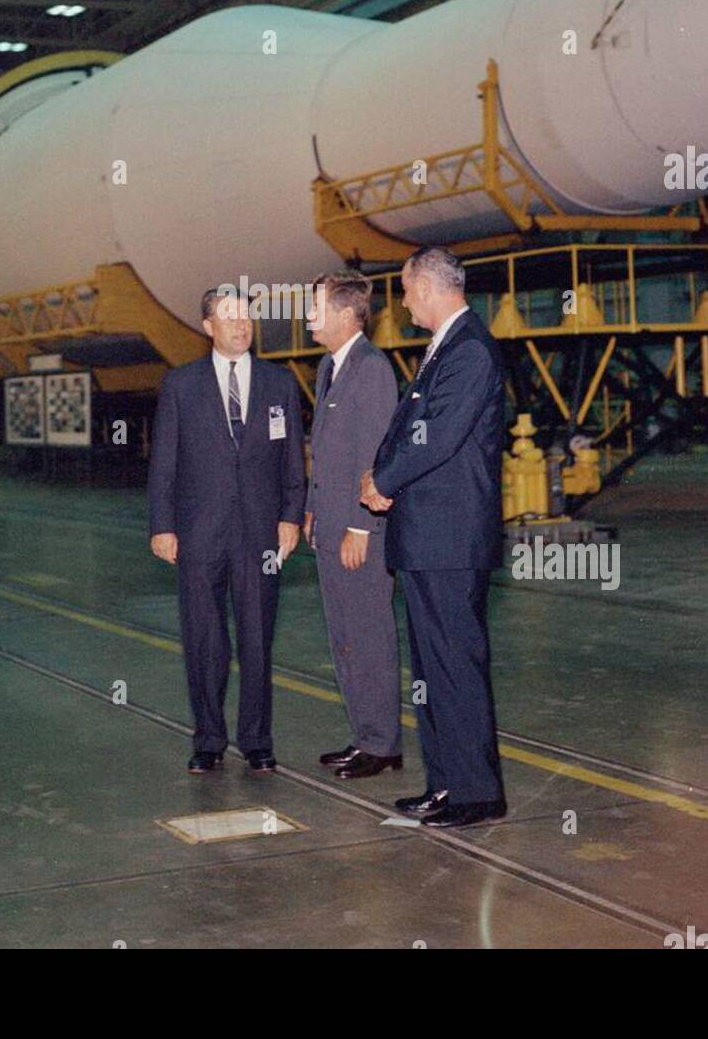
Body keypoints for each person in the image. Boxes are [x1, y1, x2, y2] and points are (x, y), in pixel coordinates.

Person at [361, 246, 507, 829]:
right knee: (431, 670)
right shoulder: (447, 347)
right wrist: (378, 474)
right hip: (427, 538)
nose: (401, 301)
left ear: (426, 287)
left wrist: (385, 480)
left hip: (450, 539)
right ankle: (446, 783)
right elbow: (412, 425)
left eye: (404, 289)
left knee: (455, 664)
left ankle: (478, 793)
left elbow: (438, 436)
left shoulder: (469, 349)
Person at [147, 288, 305, 773]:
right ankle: (208, 739)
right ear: (208, 326)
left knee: (257, 636)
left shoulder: (280, 383)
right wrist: (162, 525)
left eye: (247, 317)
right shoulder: (181, 385)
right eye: (229, 317)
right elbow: (164, 461)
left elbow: (293, 457)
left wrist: (291, 516)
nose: (241, 326)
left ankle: (257, 739)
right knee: (204, 638)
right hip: (199, 532)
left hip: (261, 532)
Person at [305, 270, 403, 779]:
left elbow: (375, 454)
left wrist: (361, 528)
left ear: (347, 314)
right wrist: (312, 506)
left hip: (358, 534)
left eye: (316, 307)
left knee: (368, 634)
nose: (307, 317)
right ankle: (365, 734)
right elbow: (324, 449)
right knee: (343, 635)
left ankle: (384, 743)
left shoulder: (370, 368)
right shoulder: (329, 367)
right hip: (330, 525)